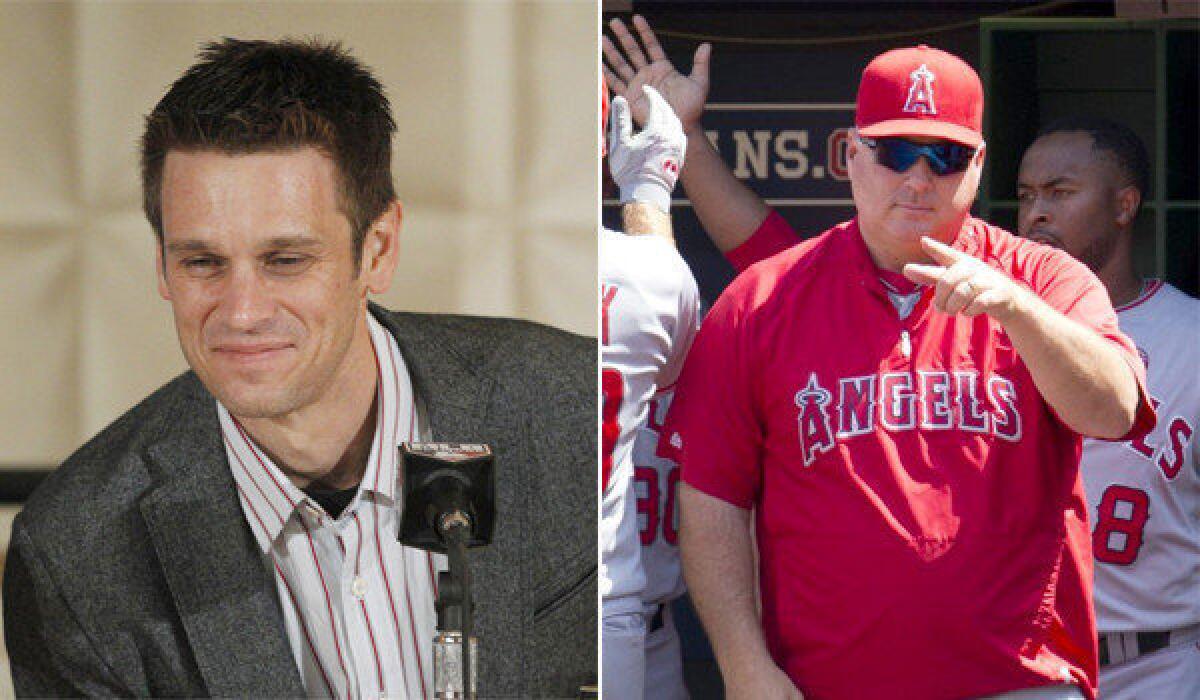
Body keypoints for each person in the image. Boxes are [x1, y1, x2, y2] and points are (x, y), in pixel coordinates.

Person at [3, 38, 595, 698]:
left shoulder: (577, 409)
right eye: (202, 262)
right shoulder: (76, 554)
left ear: (377, 249)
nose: (243, 313)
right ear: (162, 264)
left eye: (285, 260)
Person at [605, 16, 1155, 700]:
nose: (918, 179)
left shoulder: (1045, 282)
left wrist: (1019, 313)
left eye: (943, 156)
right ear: (852, 156)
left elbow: (1113, 410)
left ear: (979, 165)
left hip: (1021, 683)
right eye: (895, 152)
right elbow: (714, 498)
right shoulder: (764, 299)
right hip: (829, 684)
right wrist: (744, 663)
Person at [1016, 117, 1200, 700]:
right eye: (1026, 196)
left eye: (1060, 193)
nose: (1036, 213)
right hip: (1020, 665)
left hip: (1158, 663)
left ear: (1124, 205)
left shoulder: (1191, 337)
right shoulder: (983, 318)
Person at [600, 80, 699, 700]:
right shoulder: (649, 272)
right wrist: (648, 190)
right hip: (613, 610)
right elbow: (660, 298)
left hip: (532, 602)